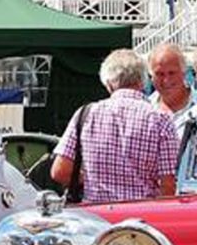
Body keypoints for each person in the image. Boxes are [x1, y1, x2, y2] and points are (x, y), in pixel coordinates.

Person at [51, 48, 179, 203]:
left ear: (108, 83)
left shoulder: (85, 114)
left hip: (96, 216)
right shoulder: (162, 120)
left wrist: (90, 179)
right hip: (143, 216)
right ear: (142, 81)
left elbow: (60, 171)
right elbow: (168, 185)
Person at [148, 43, 197, 138]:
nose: (166, 80)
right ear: (151, 76)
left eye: (172, 73)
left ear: (184, 72)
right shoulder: (145, 108)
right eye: (160, 74)